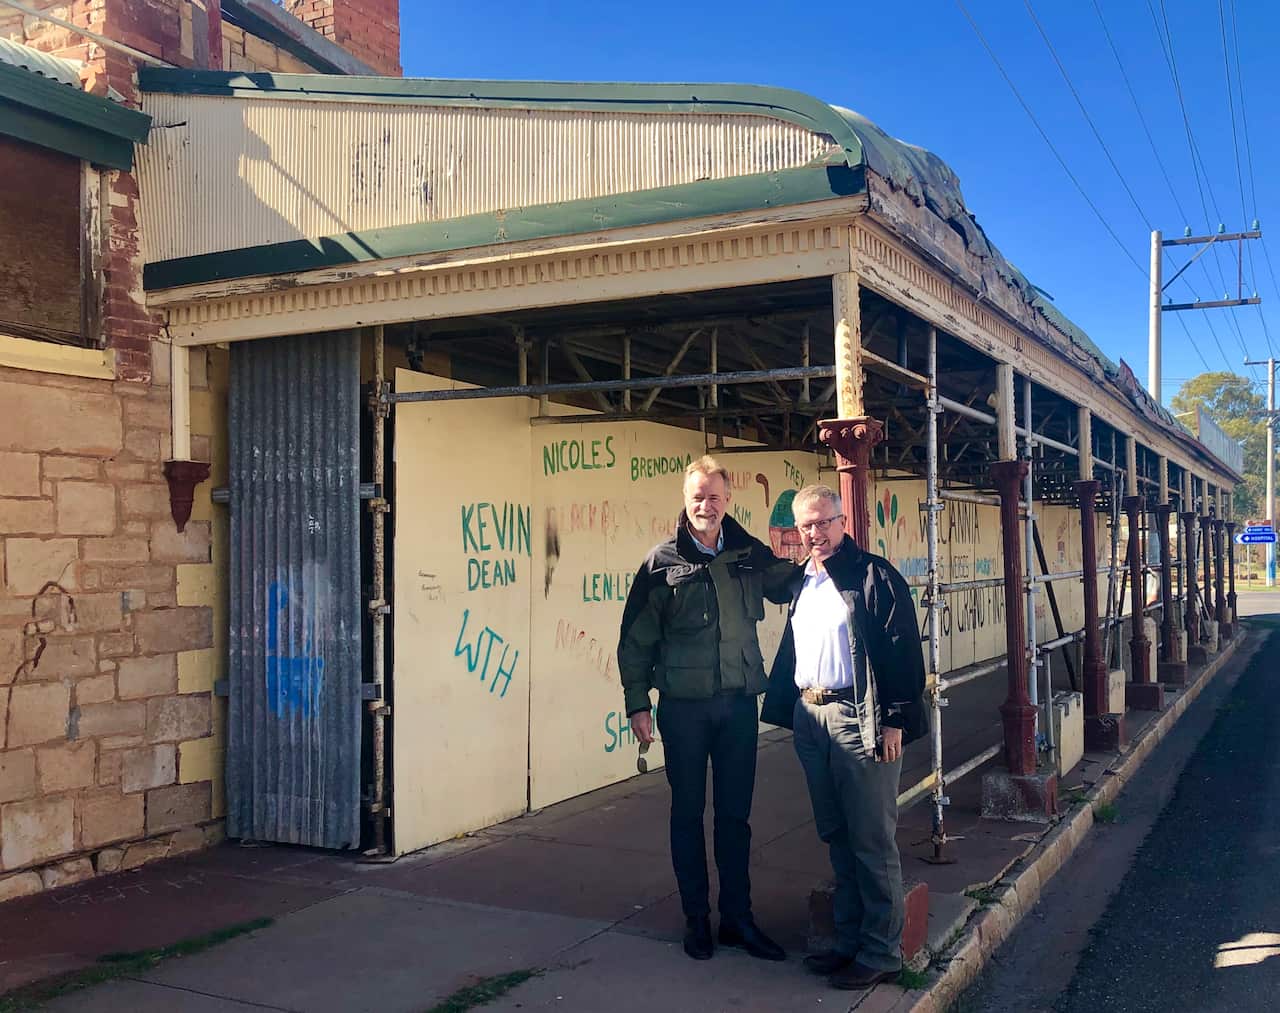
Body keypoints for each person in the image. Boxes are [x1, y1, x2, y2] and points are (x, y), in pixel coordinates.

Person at [618, 456, 796, 962]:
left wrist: (820, 549)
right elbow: (635, 640)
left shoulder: (747, 552)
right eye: (698, 496)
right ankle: (697, 920)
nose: (706, 505)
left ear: (727, 500)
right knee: (688, 814)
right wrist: (637, 704)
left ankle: (739, 920)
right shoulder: (661, 563)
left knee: (736, 818)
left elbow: (789, 584)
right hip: (684, 711)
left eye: (714, 496)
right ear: (685, 499)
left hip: (738, 706)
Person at [760, 484, 927, 990]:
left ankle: (881, 952)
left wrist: (895, 719)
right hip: (811, 716)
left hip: (860, 717)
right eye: (806, 525)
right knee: (836, 834)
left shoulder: (874, 576)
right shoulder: (804, 580)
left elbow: (902, 650)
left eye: (823, 522)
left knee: (872, 839)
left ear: (842, 521)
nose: (815, 532)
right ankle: (850, 940)